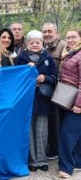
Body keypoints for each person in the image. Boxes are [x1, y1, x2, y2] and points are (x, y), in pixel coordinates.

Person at [15, 30, 57, 172]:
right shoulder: (21, 58)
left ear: (42, 43)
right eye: (31, 42)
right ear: (27, 44)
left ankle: (42, 160)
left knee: (42, 131)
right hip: (27, 100)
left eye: (37, 42)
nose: (34, 44)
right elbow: (16, 79)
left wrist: (45, 78)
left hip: (43, 100)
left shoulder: (48, 58)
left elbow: (55, 78)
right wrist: (27, 72)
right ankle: (32, 161)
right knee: (29, 131)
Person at [41, 22, 67, 160]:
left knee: (59, 120)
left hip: (61, 89)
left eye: (49, 31)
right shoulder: (43, 47)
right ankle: (53, 148)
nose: (47, 34)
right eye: (44, 32)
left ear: (56, 33)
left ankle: (57, 150)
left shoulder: (63, 46)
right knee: (51, 119)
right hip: (48, 88)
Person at [58, 29, 81, 178]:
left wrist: (79, 104)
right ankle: (78, 162)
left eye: (73, 37)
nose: (70, 40)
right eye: (68, 37)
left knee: (67, 134)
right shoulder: (71, 53)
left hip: (76, 99)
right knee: (76, 133)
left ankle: (65, 167)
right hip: (67, 95)